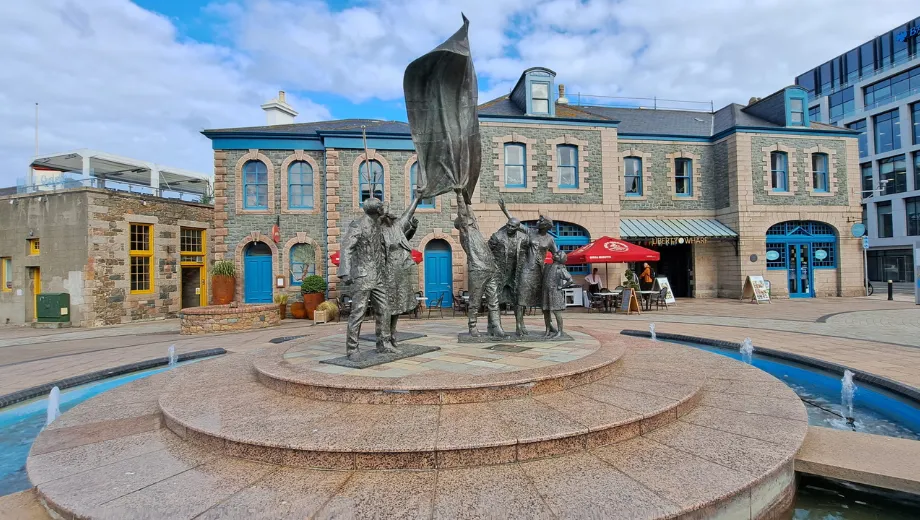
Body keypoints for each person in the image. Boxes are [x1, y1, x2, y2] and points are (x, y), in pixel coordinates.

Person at [338, 198, 394, 360]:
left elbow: (391, 217)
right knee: (358, 313)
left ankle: (384, 344)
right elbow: (347, 248)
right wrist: (345, 272)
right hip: (362, 276)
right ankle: (352, 349)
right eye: (381, 207)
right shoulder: (358, 225)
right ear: (377, 210)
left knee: (385, 310)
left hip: (378, 276)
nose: (383, 208)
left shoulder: (378, 223)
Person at [498, 196, 558, 336]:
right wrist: (505, 210)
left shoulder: (550, 239)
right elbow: (516, 224)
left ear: (546, 226)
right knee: (521, 298)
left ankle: (549, 325)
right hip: (525, 270)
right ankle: (519, 325)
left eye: (541, 221)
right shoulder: (531, 232)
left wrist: (557, 270)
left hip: (540, 272)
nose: (538, 222)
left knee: (543, 300)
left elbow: (556, 255)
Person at [454, 189, 507, 338]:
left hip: (490, 269)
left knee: (494, 300)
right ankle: (472, 327)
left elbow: (469, 211)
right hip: (477, 270)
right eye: (469, 219)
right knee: (475, 301)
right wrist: (459, 196)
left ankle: (496, 327)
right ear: (462, 224)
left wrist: (466, 197)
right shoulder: (465, 232)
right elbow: (463, 212)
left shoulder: (475, 229)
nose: (472, 219)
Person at [378, 196, 421, 347]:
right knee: (387, 307)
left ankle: (392, 335)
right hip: (386, 273)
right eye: (386, 212)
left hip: (400, 271)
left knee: (398, 306)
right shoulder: (377, 231)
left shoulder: (396, 227)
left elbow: (408, 216)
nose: (390, 214)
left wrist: (418, 197)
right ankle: (384, 339)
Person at [488, 216, 527, 331]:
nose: (509, 228)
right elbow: (487, 252)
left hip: (515, 274)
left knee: (518, 300)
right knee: (494, 300)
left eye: (512, 226)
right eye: (508, 225)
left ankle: (520, 325)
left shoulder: (524, 238)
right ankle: (493, 326)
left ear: (517, 228)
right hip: (498, 273)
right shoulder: (497, 236)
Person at [542, 250, 573, 339]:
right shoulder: (547, 266)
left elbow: (570, 280)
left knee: (556, 312)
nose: (554, 254)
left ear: (561, 258)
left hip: (555, 293)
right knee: (546, 311)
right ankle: (548, 330)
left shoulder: (561, 268)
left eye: (557, 254)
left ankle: (560, 331)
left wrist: (561, 287)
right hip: (546, 292)